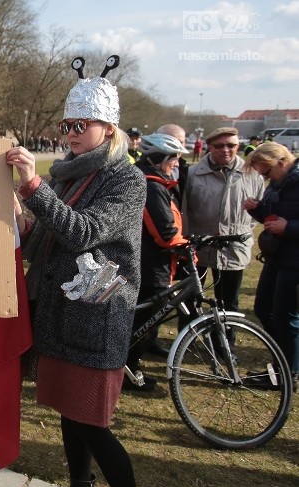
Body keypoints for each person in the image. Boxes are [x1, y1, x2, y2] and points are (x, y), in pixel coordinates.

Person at [7, 56, 149, 487]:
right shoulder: (68, 175)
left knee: (92, 420)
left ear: (106, 129)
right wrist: (21, 222)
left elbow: (85, 231)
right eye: (65, 125)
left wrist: (33, 187)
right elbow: (52, 233)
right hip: (61, 312)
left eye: (79, 126)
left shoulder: (127, 181)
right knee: (70, 413)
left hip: (97, 314)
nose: (69, 134)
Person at [126, 133, 188, 390]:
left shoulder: (156, 183)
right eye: (174, 158)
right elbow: (163, 233)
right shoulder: (151, 186)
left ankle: (130, 368)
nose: (177, 164)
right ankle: (129, 374)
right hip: (150, 266)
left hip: (155, 264)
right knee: (143, 324)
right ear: (159, 158)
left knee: (145, 323)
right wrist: (188, 248)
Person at [183, 127, 264, 326]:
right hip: (199, 246)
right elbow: (184, 209)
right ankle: (190, 340)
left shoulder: (253, 175)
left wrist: (237, 230)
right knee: (192, 299)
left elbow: (258, 212)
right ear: (209, 146)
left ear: (238, 146)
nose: (225, 150)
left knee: (229, 302)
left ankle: (226, 344)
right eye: (219, 146)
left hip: (234, 248)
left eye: (231, 145)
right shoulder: (192, 174)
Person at [243, 142, 299, 384]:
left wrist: (290, 228)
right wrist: (258, 210)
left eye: (266, 172)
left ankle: (289, 373)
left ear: (281, 162)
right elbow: (273, 215)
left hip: (294, 261)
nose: (264, 178)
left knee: (284, 315)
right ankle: (281, 366)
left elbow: (286, 221)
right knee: (263, 309)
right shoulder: (278, 184)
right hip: (276, 257)